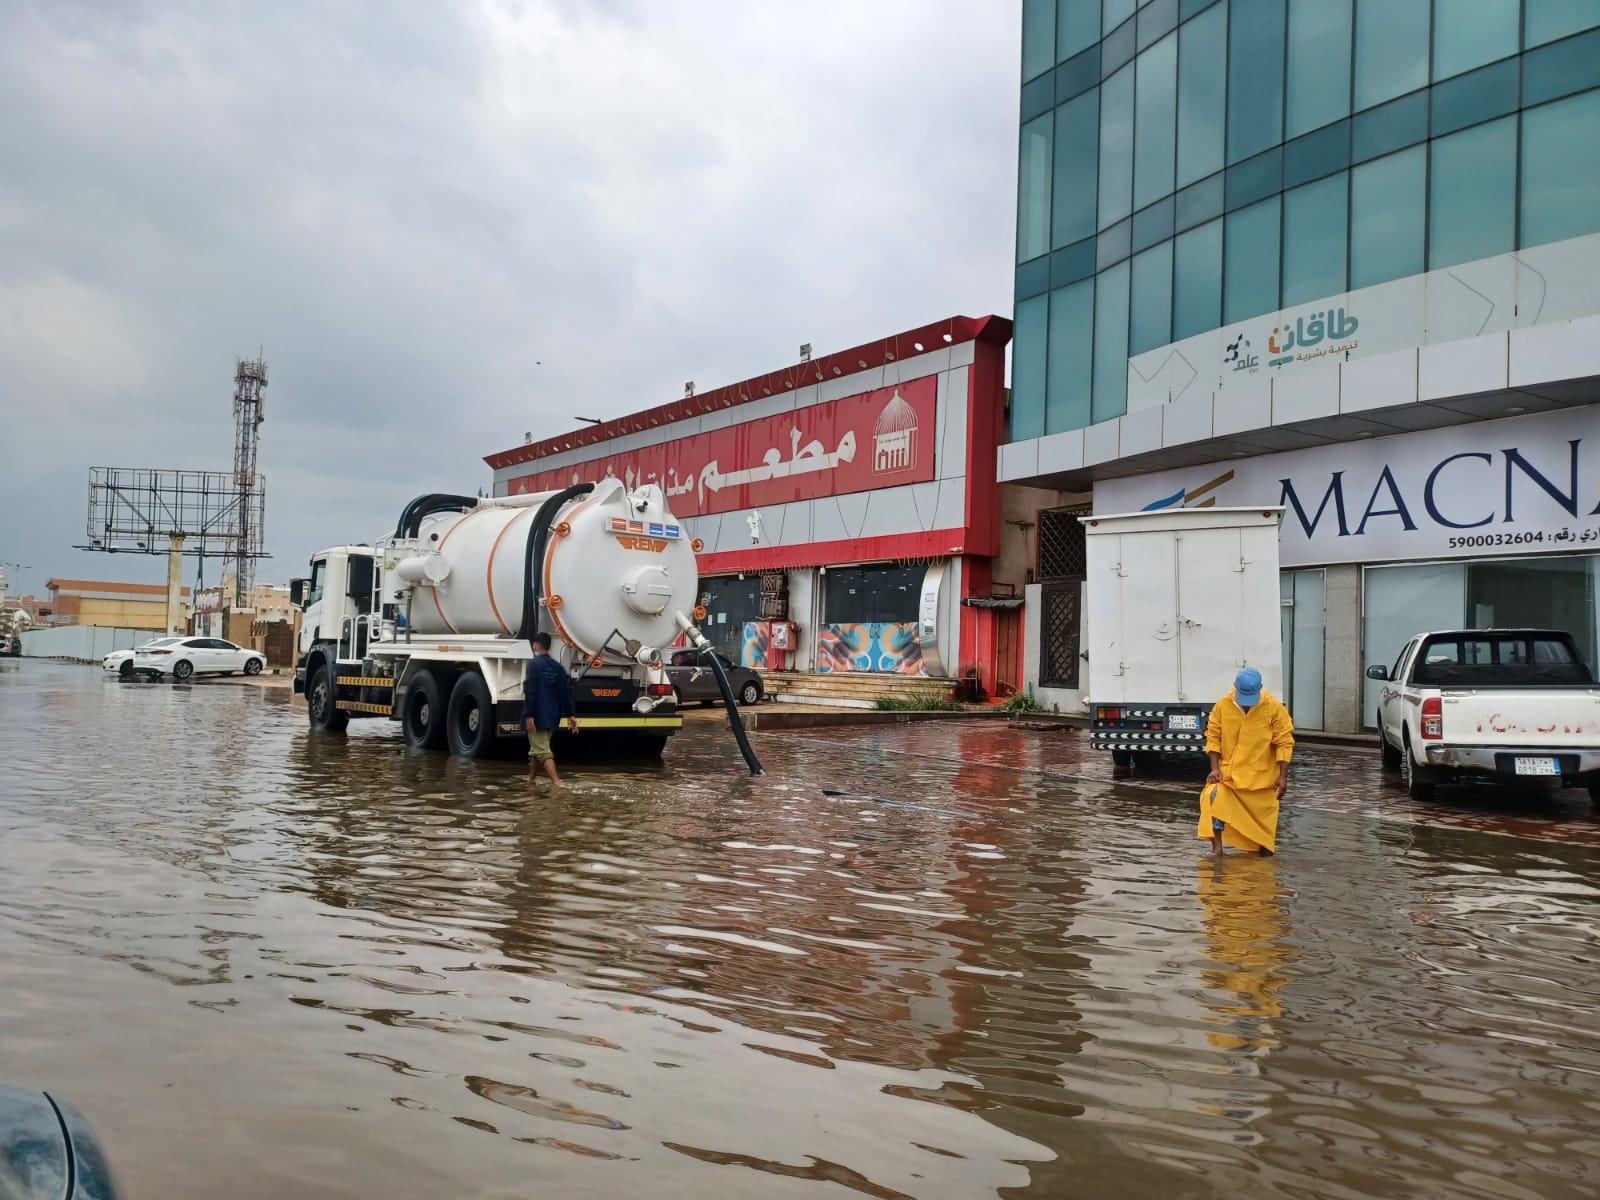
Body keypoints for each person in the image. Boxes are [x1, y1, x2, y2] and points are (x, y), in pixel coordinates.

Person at [1197, 666, 1293, 857]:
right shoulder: (1223, 705)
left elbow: (1284, 741)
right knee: (1211, 798)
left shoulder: (1273, 707)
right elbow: (1213, 736)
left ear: (1261, 688)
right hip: (1229, 774)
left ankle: (1264, 851)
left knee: (1264, 825)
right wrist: (1214, 769)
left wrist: (1283, 777)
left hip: (1262, 777)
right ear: (1235, 687)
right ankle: (1217, 850)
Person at [523, 632, 578, 787]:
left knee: (542, 750)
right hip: (552, 716)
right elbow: (564, 693)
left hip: (537, 716)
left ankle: (556, 783)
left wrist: (529, 714)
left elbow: (531, 691)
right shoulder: (558, 668)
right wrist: (570, 714)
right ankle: (530, 781)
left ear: (536, 645)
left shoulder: (534, 665)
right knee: (536, 750)